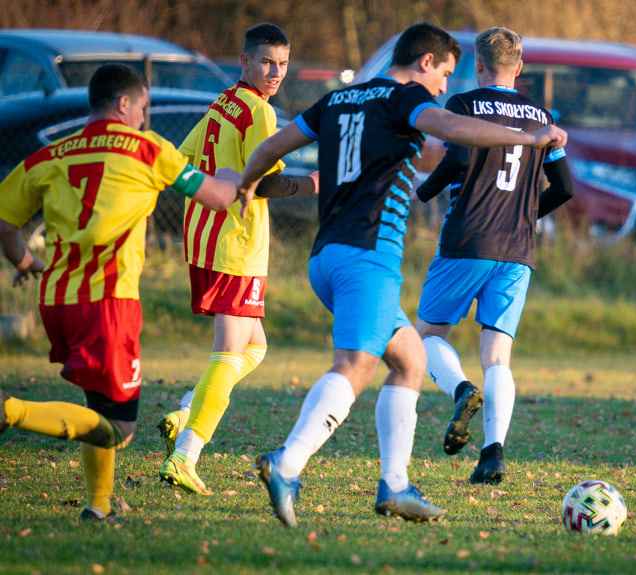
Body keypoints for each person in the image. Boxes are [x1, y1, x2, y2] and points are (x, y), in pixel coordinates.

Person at [233, 21, 568, 527]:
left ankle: (394, 487)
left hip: (326, 257)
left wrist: (247, 184)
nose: (442, 90)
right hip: (368, 257)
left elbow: (275, 146)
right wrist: (530, 135)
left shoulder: (337, 100)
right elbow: (454, 131)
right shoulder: (404, 96)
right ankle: (287, 463)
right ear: (426, 62)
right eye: (445, 75)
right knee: (354, 366)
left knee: (410, 359)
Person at [0, 63, 243, 521]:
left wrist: (25, 262)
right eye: (144, 108)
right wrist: (235, 179)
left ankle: (100, 504)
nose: (144, 119)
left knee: (98, 403)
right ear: (125, 103)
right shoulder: (146, 149)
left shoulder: (54, 154)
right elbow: (215, 196)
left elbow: (4, 222)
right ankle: (10, 410)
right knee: (119, 428)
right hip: (108, 304)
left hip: (56, 300)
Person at [157, 23, 318, 495]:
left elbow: (181, 161)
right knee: (229, 353)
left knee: (255, 348)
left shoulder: (222, 102)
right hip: (236, 246)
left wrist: (214, 188)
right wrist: (314, 185)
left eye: (283, 64)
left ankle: (186, 408)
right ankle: (186, 454)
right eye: (267, 62)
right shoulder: (259, 114)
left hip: (205, 239)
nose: (275, 72)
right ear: (244, 61)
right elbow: (263, 184)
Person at [413, 27, 576, 485]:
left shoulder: (463, 105)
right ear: (519, 67)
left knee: (425, 337)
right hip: (518, 248)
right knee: (498, 357)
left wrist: (425, 190)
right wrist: (525, 216)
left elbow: (460, 160)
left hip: (469, 238)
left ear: (478, 67)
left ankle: (462, 390)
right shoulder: (541, 117)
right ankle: (492, 455)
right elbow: (565, 187)